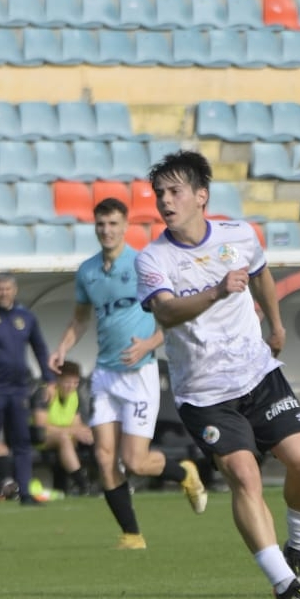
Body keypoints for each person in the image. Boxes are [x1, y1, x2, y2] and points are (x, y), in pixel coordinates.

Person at [134, 150, 300, 599]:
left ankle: (297, 553)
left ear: (201, 196)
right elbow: (165, 311)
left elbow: (262, 272)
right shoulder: (153, 258)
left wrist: (277, 324)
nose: (165, 200)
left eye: (174, 190)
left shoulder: (239, 234)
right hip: (205, 395)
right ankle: (286, 588)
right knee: (245, 477)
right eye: (159, 193)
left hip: (258, 374)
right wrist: (215, 291)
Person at [49, 198, 209, 550]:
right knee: (105, 458)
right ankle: (132, 535)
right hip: (105, 375)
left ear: (125, 227)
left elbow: (170, 315)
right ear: (95, 227)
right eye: (101, 224)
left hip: (138, 375)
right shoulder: (88, 271)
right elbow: (80, 318)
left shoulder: (142, 264)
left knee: (134, 462)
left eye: (113, 224)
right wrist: (62, 348)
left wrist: (149, 343)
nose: (107, 231)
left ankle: (184, 472)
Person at [0, 274, 56, 507]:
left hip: (18, 390)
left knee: (22, 442)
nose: (3, 293)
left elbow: (41, 350)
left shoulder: (26, 317)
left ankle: (25, 492)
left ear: (15, 290)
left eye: (7, 289)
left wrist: (49, 379)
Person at [31, 361, 94, 497]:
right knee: (64, 438)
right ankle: (83, 484)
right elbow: (41, 426)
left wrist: (85, 432)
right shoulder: (45, 393)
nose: (71, 387)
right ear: (58, 380)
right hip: (40, 438)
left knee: (91, 436)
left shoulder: (74, 396)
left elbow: (76, 424)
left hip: (63, 437)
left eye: (75, 383)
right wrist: (71, 431)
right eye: (67, 382)